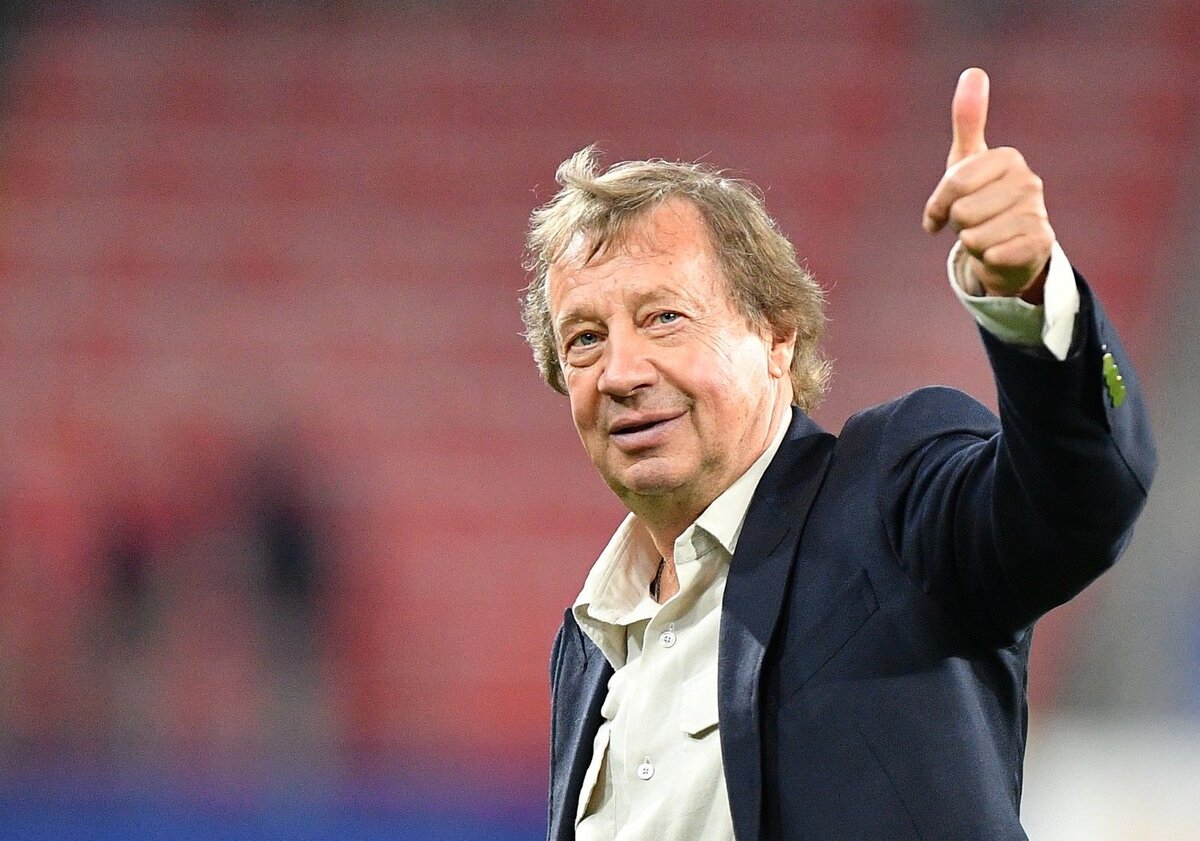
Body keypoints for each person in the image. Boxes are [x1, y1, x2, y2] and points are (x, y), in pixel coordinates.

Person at [522, 68, 1155, 840]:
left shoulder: (888, 497)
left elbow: (1076, 503)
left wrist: (1029, 297)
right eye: (586, 338)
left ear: (776, 336)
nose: (621, 372)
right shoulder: (586, 647)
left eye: (664, 318)